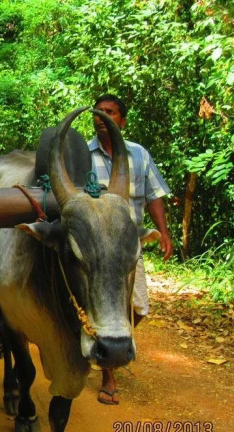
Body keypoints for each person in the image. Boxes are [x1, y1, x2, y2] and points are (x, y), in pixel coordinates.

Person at [89, 94, 173, 405]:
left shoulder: (139, 154)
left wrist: (163, 232)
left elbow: (153, 195)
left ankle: (107, 344)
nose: (102, 116)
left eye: (109, 112)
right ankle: (108, 373)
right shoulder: (82, 154)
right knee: (107, 307)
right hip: (96, 247)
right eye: (98, 111)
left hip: (129, 246)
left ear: (122, 121)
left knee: (138, 307)